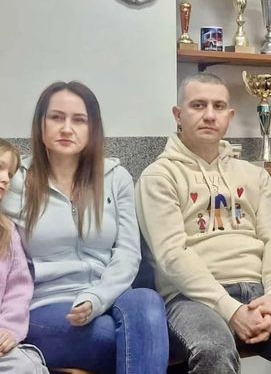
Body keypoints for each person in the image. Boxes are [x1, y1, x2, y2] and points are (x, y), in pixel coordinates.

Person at [135, 73, 271, 374]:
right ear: (178, 115)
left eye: (218, 106)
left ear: (230, 116)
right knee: (214, 351)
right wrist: (232, 310)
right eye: (198, 105)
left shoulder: (254, 175)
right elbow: (172, 255)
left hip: (261, 293)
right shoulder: (159, 177)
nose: (209, 115)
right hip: (190, 299)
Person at [2, 81, 169, 373]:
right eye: (57, 117)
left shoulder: (116, 178)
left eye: (79, 120)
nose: (67, 128)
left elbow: (128, 253)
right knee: (129, 339)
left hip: (112, 297)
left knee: (147, 301)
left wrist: (97, 297)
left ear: (93, 128)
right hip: (45, 307)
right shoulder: (19, 182)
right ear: (41, 125)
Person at [0, 139, 48, 373]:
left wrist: (8, 329)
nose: (5, 179)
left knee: (28, 366)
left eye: (9, 173)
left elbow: (18, 289)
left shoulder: (7, 232)